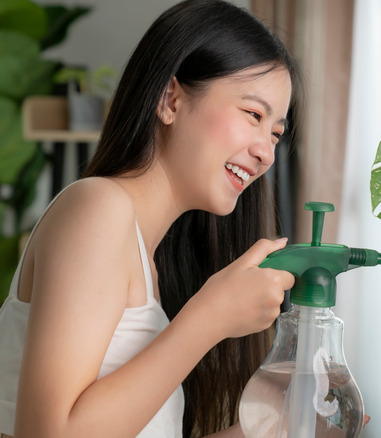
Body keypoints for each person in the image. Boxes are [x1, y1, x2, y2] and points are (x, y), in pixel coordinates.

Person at [0, 0, 299, 436]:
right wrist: (209, 318)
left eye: (275, 133)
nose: (265, 152)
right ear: (171, 99)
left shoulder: (150, 262)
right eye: (253, 115)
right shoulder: (97, 208)